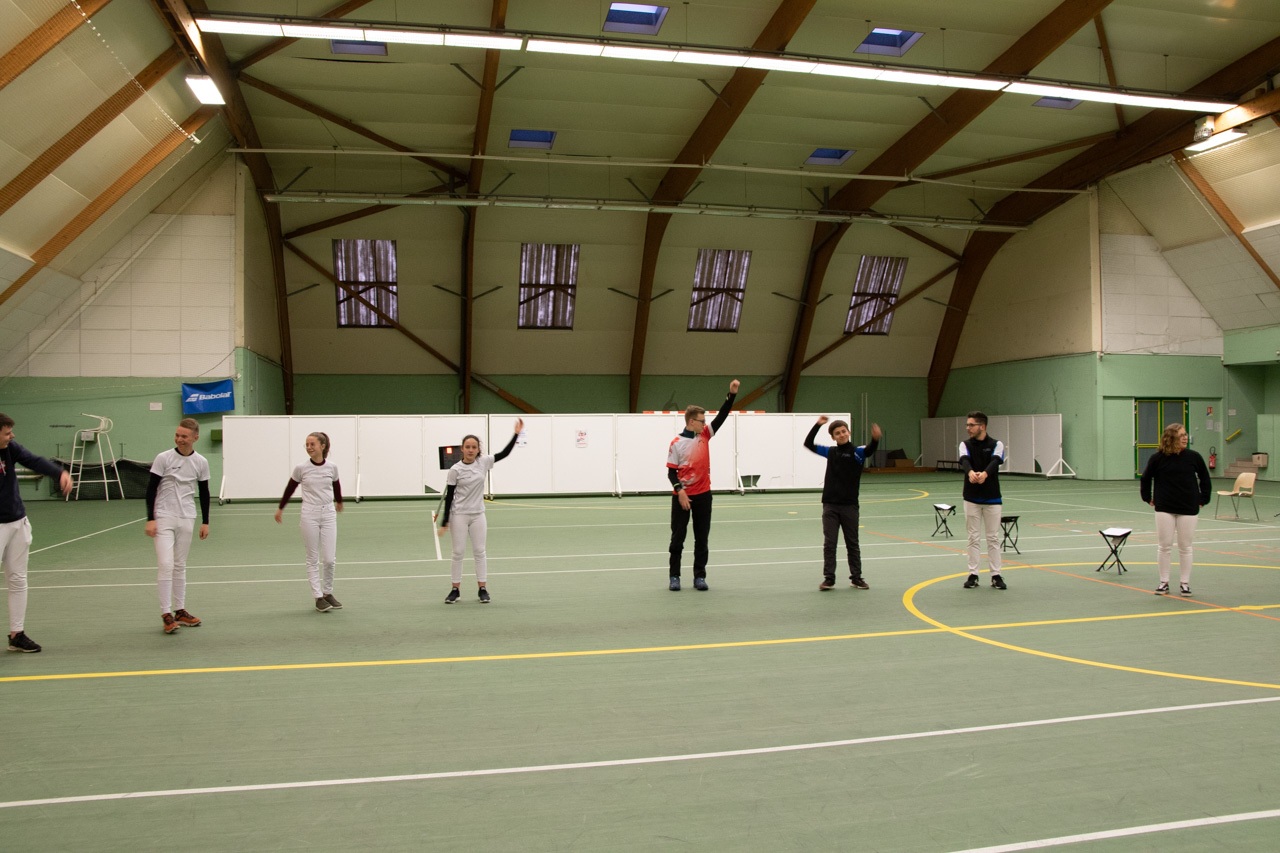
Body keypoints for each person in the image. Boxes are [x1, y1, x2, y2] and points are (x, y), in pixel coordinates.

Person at [0, 414, 72, 653]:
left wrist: (59, 473)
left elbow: (33, 460)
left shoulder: (10, 449)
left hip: (18, 522)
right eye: (7, 433)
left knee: (18, 579)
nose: (12, 436)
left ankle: (17, 634)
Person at [437, 419, 523, 604]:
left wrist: (516, 434)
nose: (470, 450)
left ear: (478, 450)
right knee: (458, 552)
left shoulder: (483, 462)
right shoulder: (455, 470)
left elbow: (504, 453)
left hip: (478, 515)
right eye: (467, 447)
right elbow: (450, 496)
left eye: (474, 447)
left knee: (479, 551)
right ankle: (455, 589)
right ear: (462, 449)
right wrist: (445, 521)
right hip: (459, 515)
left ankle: (482, 588)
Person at [667, 379, 739, 591]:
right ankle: (674, 576)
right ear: (691, 422)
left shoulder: (705, 435)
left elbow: (722, 416)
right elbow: (671, 472)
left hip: (703, 496)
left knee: (702, 539)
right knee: (677, 539)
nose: (704, 423)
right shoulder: (676, 443)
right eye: (701, 420)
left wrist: (732, 395)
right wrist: (680, 491)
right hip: (682, 497)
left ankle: (699, 576)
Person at [145, 418, 211, 634]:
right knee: (166, 564)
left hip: (187, 517)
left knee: (180, 565)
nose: (179, 439)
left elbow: (204, 492)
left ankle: (180, 611)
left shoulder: (201, 462)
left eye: (184, 436)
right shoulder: (163, 458)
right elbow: (151, 490)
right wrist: (151, 518)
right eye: (177, 435)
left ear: (195, 438)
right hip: (164, 516)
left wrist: (206, 521)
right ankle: (166, 613)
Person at [803, 416, 881, 591]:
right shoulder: (830, 452)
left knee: (852, 543)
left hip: (850, 505)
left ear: (849, 432)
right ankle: (829, 579)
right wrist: (818, 425)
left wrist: (875, 439)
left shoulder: (858, 452)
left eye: (843, 431)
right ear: (833, 437)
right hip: (830, 505)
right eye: (837, 433)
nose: (841, 434)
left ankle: (856, 578)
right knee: (830, 544)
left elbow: (870, 450)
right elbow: (808, 444)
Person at [275, 432, 345, 612]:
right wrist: (281, 508)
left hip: (328, 513)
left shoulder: (332, 467)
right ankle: (318, 597)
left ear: (323, 446)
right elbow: (290, 488)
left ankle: (328, 592)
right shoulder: (301, 468)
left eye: (312, 444)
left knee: (329, 559)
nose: (309, 447)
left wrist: (339, 501)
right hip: (309, 514)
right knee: (312, 558)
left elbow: (336, 485)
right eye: (307, 444)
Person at [1139, 423, 1211, 596]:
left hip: (1188, 507)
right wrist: (1147, 497)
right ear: (1171, 438)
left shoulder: (1194, 457)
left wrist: (1203, 499)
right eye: (1181, 435)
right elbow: (1145, 479)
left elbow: (1205, 479)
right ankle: (1163, 582)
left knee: (1185, 547)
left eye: (1185, 434)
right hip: (1165, 507)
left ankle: (1185, 583)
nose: (1185, 438)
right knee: (1164, 546)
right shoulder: (1157, 458)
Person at [960, 411, 1008, 590]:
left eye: (971, 425)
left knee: (993, 538)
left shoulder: (997, 444)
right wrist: (971, 473)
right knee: (973, 537)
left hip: (992, 498)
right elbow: (964, 461)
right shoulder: (965, 444)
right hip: (971, 498)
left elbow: (995, 462)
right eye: (967, 425)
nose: (968, 428)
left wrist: (985, 474)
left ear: (982, 426)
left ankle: (996, 575)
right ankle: (973, 574)